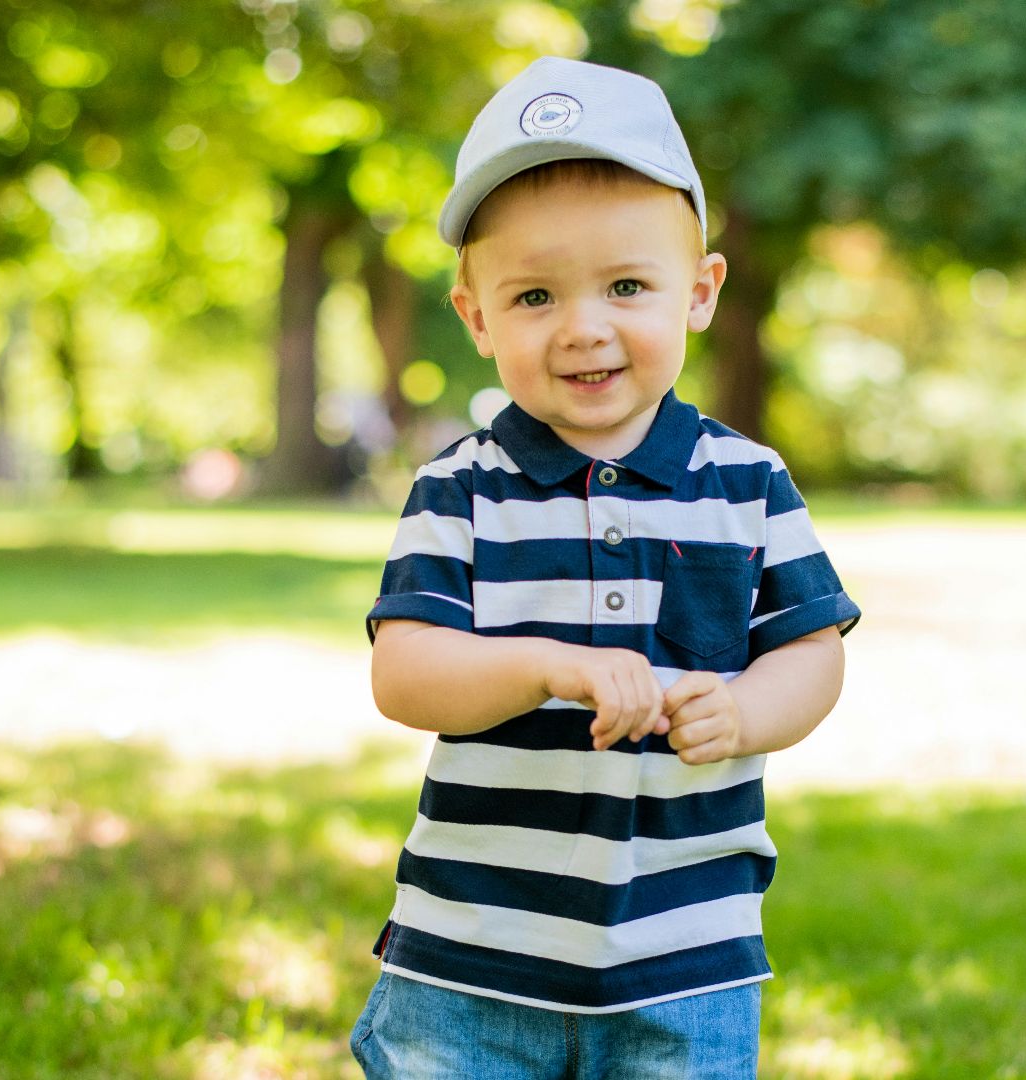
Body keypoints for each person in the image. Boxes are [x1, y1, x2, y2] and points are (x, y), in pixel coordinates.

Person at [352, 56, 860, 1079]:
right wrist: (546, 665)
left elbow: (812, 653)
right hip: (474, 955)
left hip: (687, 953)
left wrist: (747, 711)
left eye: (627, 286)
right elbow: (404, 674)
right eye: (535, 295)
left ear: (699, 292)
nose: (584, 327)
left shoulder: (747, 482)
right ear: (477, 318)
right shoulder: (462, 488)